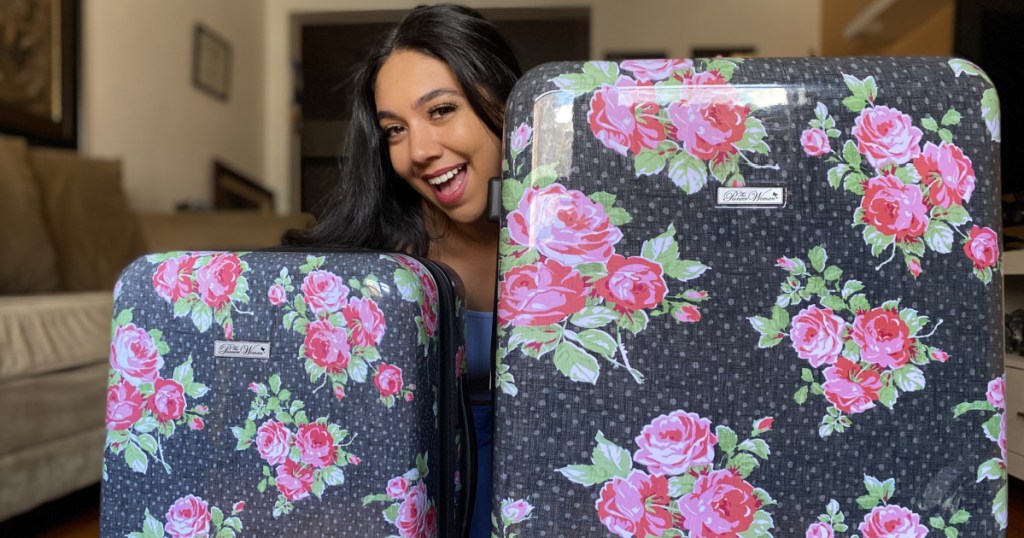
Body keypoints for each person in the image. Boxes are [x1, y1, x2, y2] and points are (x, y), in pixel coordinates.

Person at [284, 4, 521, 536]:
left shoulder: (583, 240)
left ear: (505, 100)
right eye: (394, 130)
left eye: (440, 111)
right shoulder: (378, 266)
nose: (418, 151)